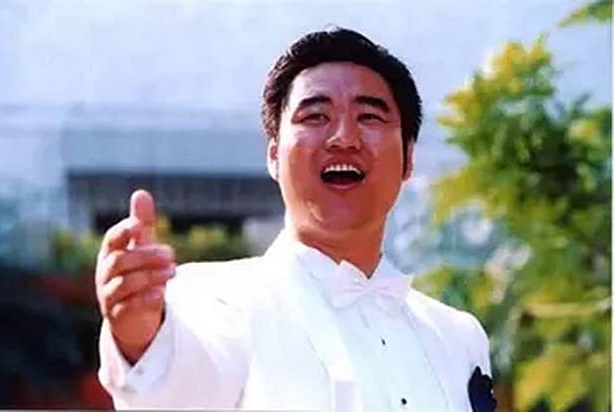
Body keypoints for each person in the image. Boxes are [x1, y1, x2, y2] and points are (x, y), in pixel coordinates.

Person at [96, 27, 495, 411]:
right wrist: (141, 337)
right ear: (273, 155)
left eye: (369, 117)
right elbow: (180, 387)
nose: (344, 138)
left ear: (408, 159)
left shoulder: (458, 336)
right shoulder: (210, 299)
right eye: (315, 116)